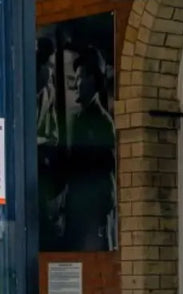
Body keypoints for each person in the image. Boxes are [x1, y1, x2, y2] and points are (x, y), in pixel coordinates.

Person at [64, 46, 116, 251]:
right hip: (79, 209)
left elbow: (105, 169)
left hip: (93, 212)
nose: (76, 84)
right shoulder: (78, 117)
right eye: (75, 78)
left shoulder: (101, 121)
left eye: (81, 78)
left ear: (94, 81)